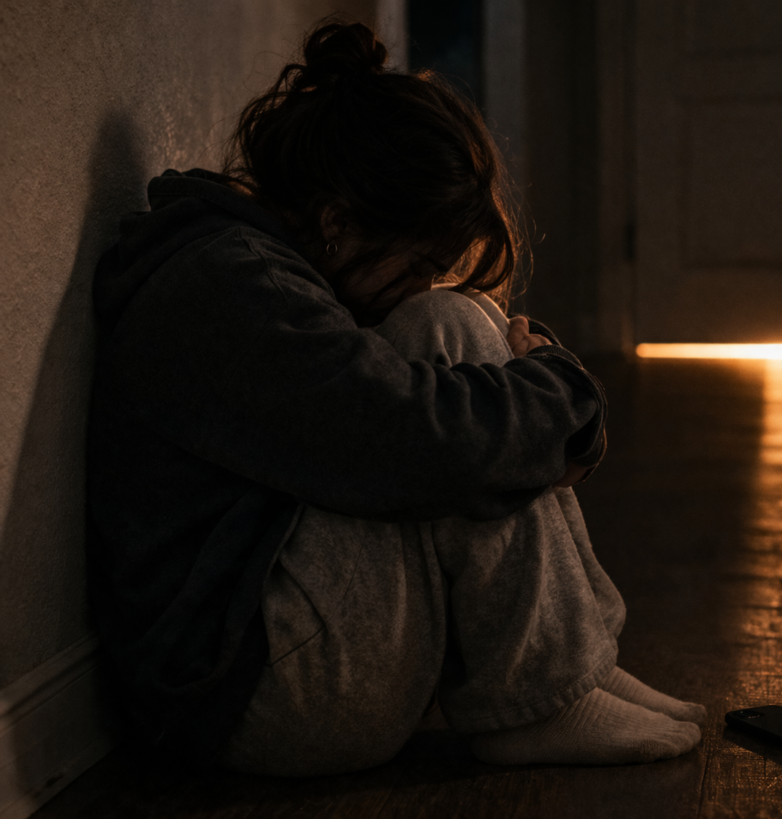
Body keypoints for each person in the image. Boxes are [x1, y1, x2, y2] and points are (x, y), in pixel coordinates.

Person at [86, 20, 705, 775]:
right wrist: (566, 396)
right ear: (338, 223)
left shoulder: (257, 268)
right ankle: (546, 693)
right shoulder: (227, 286)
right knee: (447, 345)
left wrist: (552, 410)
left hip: (271, 665)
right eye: (414, 260)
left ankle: (569, 669)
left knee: (457, 324)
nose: (417, 281)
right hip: (248, 699)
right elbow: (417, 442)